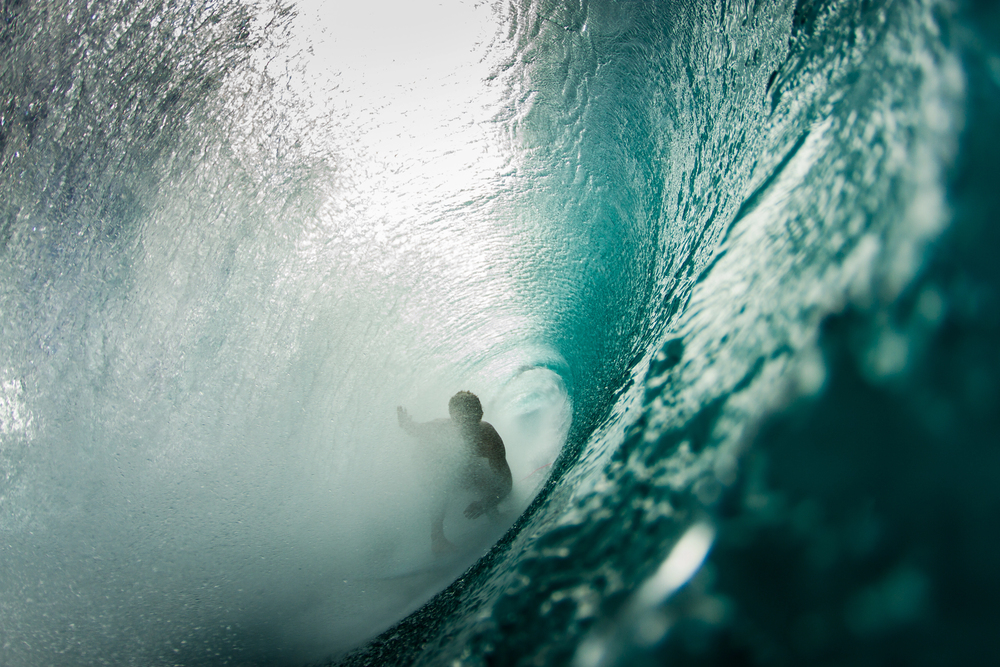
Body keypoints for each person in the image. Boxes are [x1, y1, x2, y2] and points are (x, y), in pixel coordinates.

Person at [397, 391, 513, 555]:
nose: (468, 424)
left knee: (481, 477)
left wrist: (486, 502)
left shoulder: (488, 438)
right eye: (462, 419)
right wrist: (405, 423)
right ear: (453, 417)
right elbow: (414, 430)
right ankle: (437, 539)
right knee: (444, 478)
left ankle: (495, 516)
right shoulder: (441, 428)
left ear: (480, 414)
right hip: (427, 464)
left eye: (473, 417)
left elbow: (506, 482)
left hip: (458, 462)